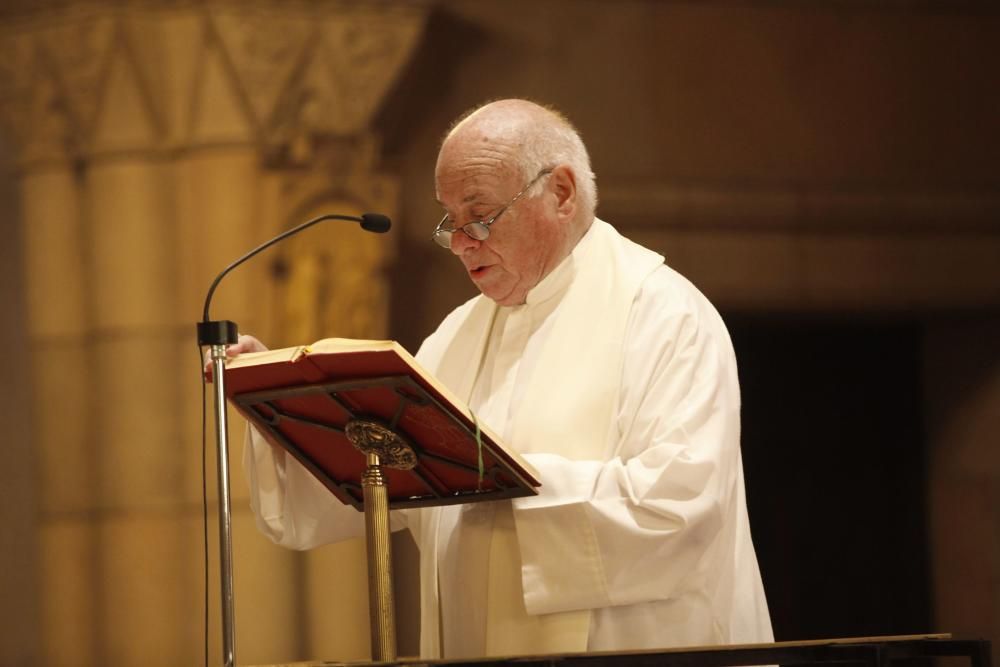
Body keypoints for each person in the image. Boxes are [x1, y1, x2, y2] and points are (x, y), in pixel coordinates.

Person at [234, 99, 773, 659]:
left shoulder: (665, 316)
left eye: (481, 215)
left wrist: (500, 481)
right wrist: (281, 406)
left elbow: (680, 509)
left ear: (561, 192)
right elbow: (370, 493)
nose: (463, 242)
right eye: (450, 220)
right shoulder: (455, 337)